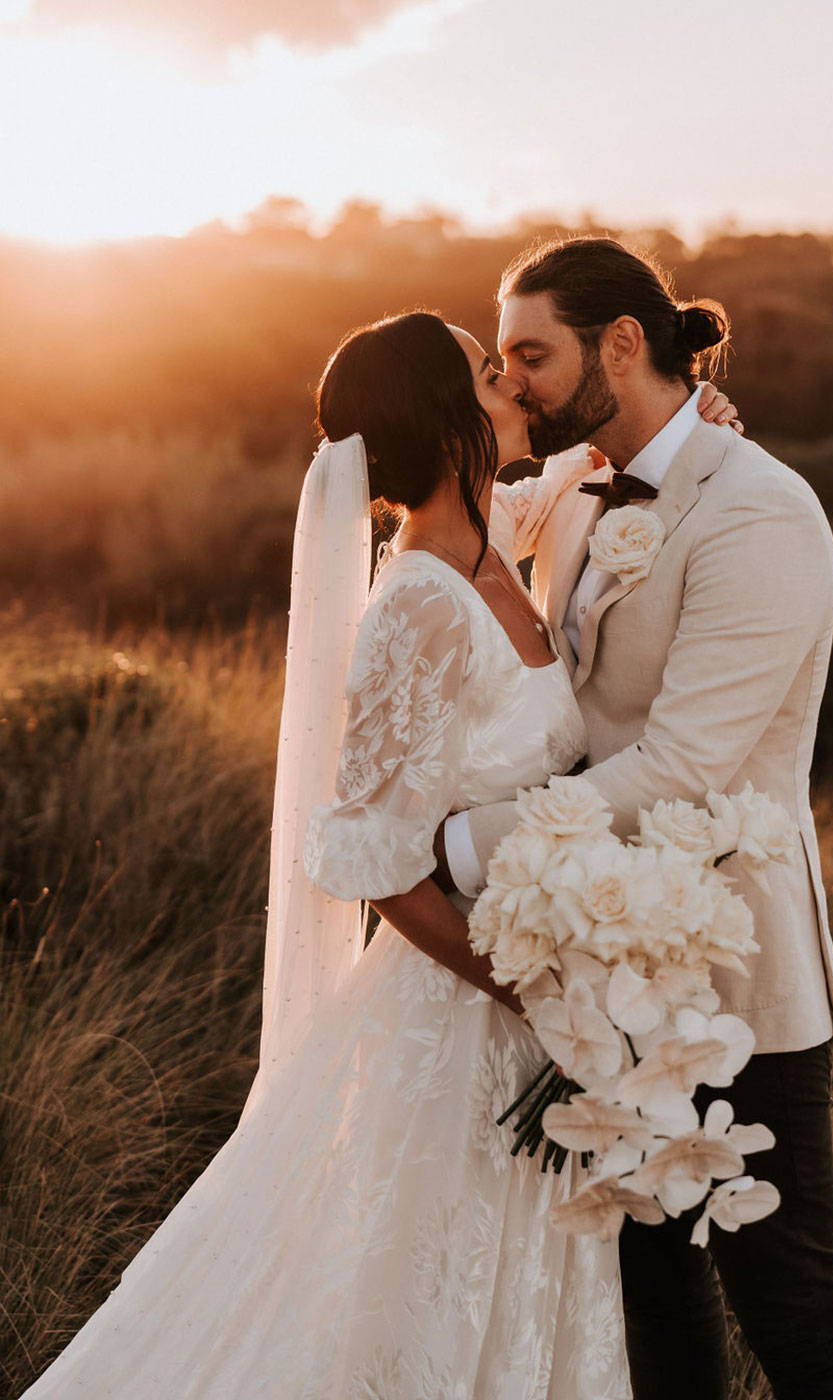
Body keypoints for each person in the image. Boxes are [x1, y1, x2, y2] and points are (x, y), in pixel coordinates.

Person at [18, 307, 736, 1400]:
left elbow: (612, 453)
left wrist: (690, 417)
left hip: (544, 1002)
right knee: (410, 1308)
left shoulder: (500, 525)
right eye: (485, 374)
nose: (510, 384)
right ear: (445, 417)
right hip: (457, 1023)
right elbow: (378, 862)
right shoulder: (414, 606)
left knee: (517, 1296)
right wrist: (538, 994)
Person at [433, 237, 833, 1400]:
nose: (516, 378)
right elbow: (440, 500)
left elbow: (684, 763)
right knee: (643, 1305)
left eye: (531, 353)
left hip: (733, 972)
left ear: (620, 343)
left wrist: (461, 850)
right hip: (589, 968)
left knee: (787, 1303)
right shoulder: (577, 484)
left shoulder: (760, 512)